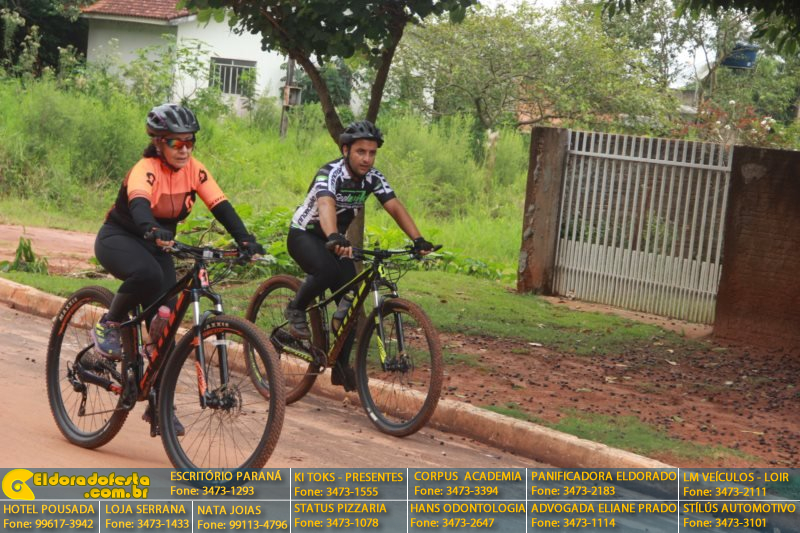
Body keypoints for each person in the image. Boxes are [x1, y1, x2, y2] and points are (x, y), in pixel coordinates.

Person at [92, 103, 264, 361]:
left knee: (166, 325)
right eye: (176, 143)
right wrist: (151, 228)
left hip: (160, 245)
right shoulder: (145, 168)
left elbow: (221, 206)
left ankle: (156, 381)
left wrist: (245, 239)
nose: (184, 150)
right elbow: (139, 204)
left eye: (189, 142)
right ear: (159, 143)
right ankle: (109, 323)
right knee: (147, 274)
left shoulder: (195, 169)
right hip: (120, 238)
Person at [284, 119, 434, 391]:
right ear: (346, 150)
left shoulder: (373, 178)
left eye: (372, 153)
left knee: (351, 304)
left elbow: (394, 206)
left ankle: (341, 368)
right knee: (327, 270)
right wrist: (333, 235)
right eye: (361, 152)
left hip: (336, 241)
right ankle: (296, 308)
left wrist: (418, 239)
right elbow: (326, 204)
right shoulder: (330, 173)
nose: (367, 159)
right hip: (305, 234)